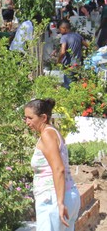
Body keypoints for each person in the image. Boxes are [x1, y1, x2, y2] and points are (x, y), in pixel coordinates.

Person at [24, 98, 80, 230]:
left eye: (30, 118)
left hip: (53, 199)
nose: (27, 122)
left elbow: (58, 168)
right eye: (25, 118)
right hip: (67, 195)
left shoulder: (47, 135)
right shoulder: (53, 132)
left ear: (43, 117)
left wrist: (60, 203)